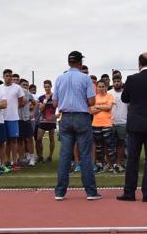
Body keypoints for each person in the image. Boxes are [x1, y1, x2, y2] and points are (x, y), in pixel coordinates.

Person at [117, 52, 147, 203]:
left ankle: (129, 192)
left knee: (133, 159)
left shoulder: (132, 79)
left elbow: (125, 98)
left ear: (139, 64)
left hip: (136, 124)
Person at [53, 51, 101, 201]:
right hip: (82, 117)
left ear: (69, 62)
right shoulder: (85, 78)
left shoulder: (60, 78)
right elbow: (92, 101)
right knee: (85, 155)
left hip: (65, 117)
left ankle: (60, 192)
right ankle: (91, 192)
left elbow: (55, 103)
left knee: (65, 156)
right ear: (80, 63)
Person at [0, 69, 25, 170]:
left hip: (13, 117)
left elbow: (21, 102)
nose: (8, 77)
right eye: (6, 75)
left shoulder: (17, 88)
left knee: (13, 140)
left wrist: (13, 108)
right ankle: (5, 161)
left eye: (10, 75)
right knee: (3, 141)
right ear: (3, 76)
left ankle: (15, 162)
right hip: (1, 118)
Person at [91, 80, 116, 172]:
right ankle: (100, 165)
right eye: (99, 86)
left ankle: (112, 165)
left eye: (103, 86)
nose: (101, 88)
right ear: (96, 87)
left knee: (110, 146)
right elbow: (91, 111)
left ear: (106, 87)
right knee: (99, 147)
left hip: (107, 124)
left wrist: (97, 107)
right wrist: (103, 107)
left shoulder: (110, 96)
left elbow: (109, 108)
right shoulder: (94, 98)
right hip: (96, 124)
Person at [109, 75, 127, 172]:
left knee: (121, 144)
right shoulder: (109, 93)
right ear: (112, 82)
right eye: (115, 81)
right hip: (110, 122)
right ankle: (110, 164)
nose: (116, 83)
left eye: (118, 81)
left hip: (123, 122)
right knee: (110, 145)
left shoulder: (126, 93)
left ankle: (119, 163)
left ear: (121, 81)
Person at [36, 80, 56, 163]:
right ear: (44, 87)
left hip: (52, 121)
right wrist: (46, 100)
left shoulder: (55, 96)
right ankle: (40, 156)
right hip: (43, 121)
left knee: (51, 139)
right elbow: (41, 108)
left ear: (51, 86)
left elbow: (56, 106)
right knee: (38, 139)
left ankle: (50, 156)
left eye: (48, 86)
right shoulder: (41, 97)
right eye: (45, 86)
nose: (47, 88)